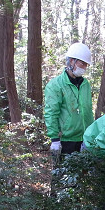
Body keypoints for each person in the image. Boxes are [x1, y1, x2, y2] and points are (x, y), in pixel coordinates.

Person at [43, 42, 94, 192]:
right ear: (71, 61)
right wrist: (54, 139)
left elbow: (88, 111)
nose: (84, 67)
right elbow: (51, 112)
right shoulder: (56, 85)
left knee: (80, 179)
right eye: (81, 63)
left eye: (86, 64)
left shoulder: (86, 84)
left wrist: (91, 135)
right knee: (62, 179)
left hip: (84, 140)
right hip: (66, 140)